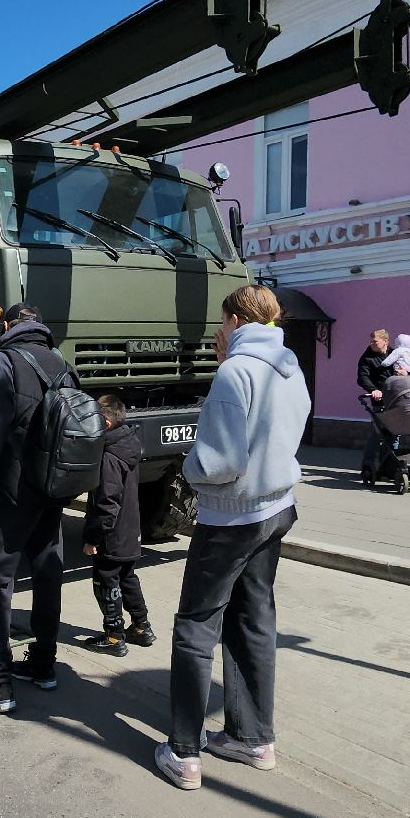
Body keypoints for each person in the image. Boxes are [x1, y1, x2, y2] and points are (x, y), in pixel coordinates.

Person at [157, 284, 310, 790]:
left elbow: (219, 463)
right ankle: (253, 738)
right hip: (277, 508)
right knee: (253, 619)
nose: (218, 332)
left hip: (230, 517)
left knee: (196, 625)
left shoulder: (234, 371)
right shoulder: (289, 364)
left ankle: (183, 752)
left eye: (222, 322)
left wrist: (188, 465)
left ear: (236, 319)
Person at [0, 302, 71, 714]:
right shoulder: (60, 360)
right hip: (52, 486)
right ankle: (43, 664)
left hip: (14, 489)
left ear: (7, 326)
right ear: (38, 325)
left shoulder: (4, 361)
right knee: (46, 571)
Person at [80, 393, 152, 657]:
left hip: (112, 535)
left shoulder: (109, 457)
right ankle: (141, 626)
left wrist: (93, 538)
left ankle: (113, 636)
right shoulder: (128, 445)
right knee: (127, 577)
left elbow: (106, 502)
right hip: (130, 531)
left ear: (106, 425)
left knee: (105, 581)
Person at [356, 329, 392, 482]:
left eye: (374, 341)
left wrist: (406, 373)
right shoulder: (367, 358)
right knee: (378, 434)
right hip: (379, 400)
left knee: (394, 434)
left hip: (396, 399)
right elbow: (362, 377)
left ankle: (390, 466)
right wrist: (373, 390)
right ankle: (370, 466)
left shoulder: (395, 354)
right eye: (371, 341)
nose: (371, 344)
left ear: (385, 341)